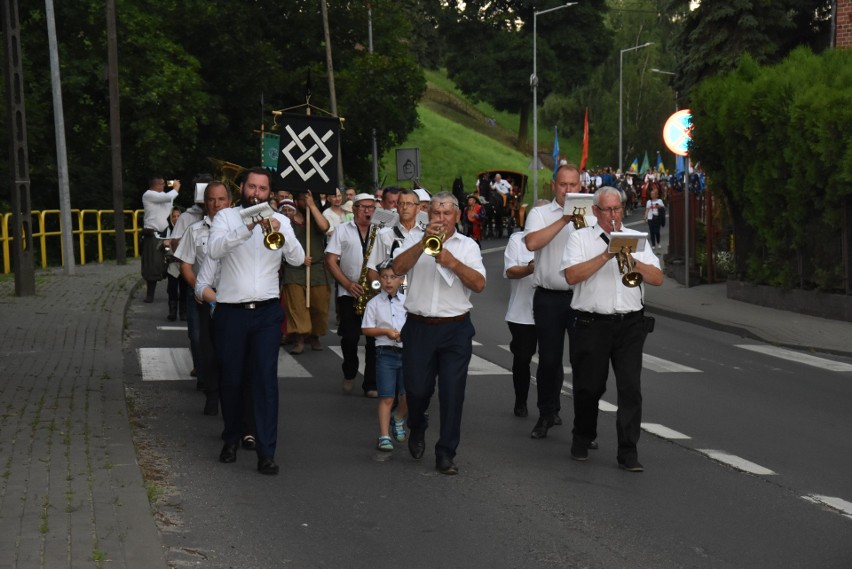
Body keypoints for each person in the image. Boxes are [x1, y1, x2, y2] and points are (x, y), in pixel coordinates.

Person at [205, 167, 305, 475]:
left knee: (265, 381)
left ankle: (266, 451)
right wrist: (248, 227)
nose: (256, 193)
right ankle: (232, 437)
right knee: (232, 379)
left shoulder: (283, 221)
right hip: (231, 311)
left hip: (266, 311)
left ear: (270, 193)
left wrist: (281, 232)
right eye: (252, 187)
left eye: (262, 189)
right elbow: (214, 248)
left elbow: (298, 259)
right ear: (242, 188)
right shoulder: (226, 218)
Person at [562, 186, 663, 472]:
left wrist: (633, 259)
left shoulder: (636, 239)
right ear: (595, 212)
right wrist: (607, 254)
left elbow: (657, 279)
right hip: (591, 324)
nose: (613, 215)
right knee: (588, 387)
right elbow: (571, 275)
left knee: (631, 389)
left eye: (617, 208)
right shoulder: (580, 238)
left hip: (630, 324)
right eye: (606, 210)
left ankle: (628, 452)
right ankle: (582, 436)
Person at [392, 192, 486, 476]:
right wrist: (423, 245)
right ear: (427, 214)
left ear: (457, 215)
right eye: (436, 214)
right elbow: (396, 268)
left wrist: (452, 262)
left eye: (447, 214)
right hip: (419, 327)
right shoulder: (414, 239)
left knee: (452, 393)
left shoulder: (468, 246)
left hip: (455, 328)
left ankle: (446, 452)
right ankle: (417, 425)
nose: (441, 219)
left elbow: (480, 284)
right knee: (417, 390)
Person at [523, 163, 592, 440]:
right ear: (554, 186)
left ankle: (585, 426)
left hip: (582, 297)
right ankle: (546, 413)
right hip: (549, 297)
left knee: (584, 363)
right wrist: (564, 218)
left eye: (573, 185)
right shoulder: (540, 213)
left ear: (580, 186)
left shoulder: (593, 216)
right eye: (563, 185)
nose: (568, 190)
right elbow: (531, 244)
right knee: (549, 360)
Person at [175, 181, 230, 415]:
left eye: (221, 199)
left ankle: (225, 393)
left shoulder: (239, 231)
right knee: (201, 343)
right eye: (211, 199)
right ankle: (210, 390)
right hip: (202, 297)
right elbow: (185, 265)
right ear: (204, 203)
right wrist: (200, 289)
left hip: (231, 299)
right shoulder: (194, 230)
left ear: (230, 202)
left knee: (228, 349)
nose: (216, 204)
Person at [324, 193, 379, 397]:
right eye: (363, 207)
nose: (368, 211)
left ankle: (371, 384)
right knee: (349, 338)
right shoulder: (342, 230)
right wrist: (348, 283)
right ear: (354, 209)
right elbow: (330, 260)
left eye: (371, 207)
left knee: (375, 340)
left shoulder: (380, 231)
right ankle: (349, 372)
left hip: (374, 292)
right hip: (349, 292)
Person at [503, 199, 549, 418]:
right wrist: (531, 268)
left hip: (550, 310)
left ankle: (550, 408)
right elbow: (510, 271)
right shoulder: (517, 240)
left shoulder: (559, 237)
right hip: (522, 312)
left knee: (551, 361)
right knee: (522, 359)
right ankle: (520, 400)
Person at [361, 261, 408, 452]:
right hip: (385, 353)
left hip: (407, 353)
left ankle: (398, 418)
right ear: (379, 279)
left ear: (402, 279)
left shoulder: (408, 301)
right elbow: (366, 329)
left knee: (410, 394)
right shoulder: (374, 303)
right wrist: (385, 332)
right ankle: (384, 435)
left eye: (393, 277)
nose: (388, 281)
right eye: (384, 277)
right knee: (387, 396)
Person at [281, 189, 331, 355]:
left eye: (308, 199)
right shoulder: (287, 222)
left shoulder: (316, 218)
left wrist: (312, 206)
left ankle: (314, 335)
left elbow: (325, 226)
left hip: (316, 268)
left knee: (320, 306)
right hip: (294, 269)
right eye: (302, 200)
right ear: (295, 202)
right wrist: (300, 258)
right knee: (296, 305)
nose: (305, 203)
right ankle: (299, 338)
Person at [366, 189, 420, 284]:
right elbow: (373, 270)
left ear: (418, 208)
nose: (404, 207)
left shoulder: (425, 235)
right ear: (397, 207)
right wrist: (381, 293)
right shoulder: (384, 234)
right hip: (393, 294)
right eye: (401, 203)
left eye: (409, 204)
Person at [141, 175, 180, 303]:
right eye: (162, 184)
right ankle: (150, 294)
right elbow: (169, 196)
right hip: (153, 234)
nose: (164, 185)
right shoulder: (149, 194)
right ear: (155, 185)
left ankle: (173, 293)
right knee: (152, 264)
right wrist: (176, 187)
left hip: (167, 234)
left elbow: (169, 201)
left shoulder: (163, 196)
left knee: (171, 263)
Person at [164, 205, 187, 322]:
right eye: (174, 216)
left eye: (179, 216)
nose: (176, 218)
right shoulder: (167, 230)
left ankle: (183, 312)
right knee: (172, 288)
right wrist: (164, 244)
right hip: (172, 265)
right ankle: (172, 312)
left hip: (184, 265)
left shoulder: (187, 229)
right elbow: (161, 248)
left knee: (184, 289)